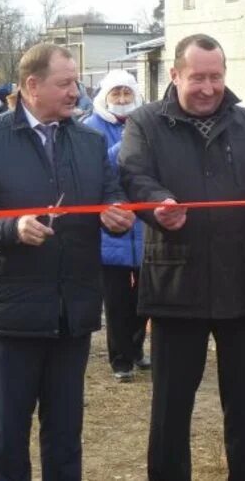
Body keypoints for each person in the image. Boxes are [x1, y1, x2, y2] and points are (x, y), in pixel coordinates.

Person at [119, 33, 245, 481]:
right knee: (170, 406)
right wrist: (159, 204)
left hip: (242, 283)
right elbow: (134, 176)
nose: (208, 87)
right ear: (175, 75)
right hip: (176, 283)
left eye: (216, 77)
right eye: (197, 77)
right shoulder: (145, 123)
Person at [0, 43, 134, 481]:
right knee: (9, 437)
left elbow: (111, 196)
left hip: (73, 312)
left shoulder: (88, 141)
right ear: (32, 86)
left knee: (66, 436)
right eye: (65, 83)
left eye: (77, 82)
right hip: (11, 312)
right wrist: (11, 228)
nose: (77, 92)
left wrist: (118, 216)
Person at [82, 69, 149, 382]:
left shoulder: (148, 124)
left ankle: (137, 348)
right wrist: (124, 146)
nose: (122, 100)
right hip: (110, 232)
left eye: (127, 94)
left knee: (145, 299)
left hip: (145, 230)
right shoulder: (90, 129)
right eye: (116, 94)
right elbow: (90, 173)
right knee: (117, 300)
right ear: (104, 96)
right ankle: (120, 358)